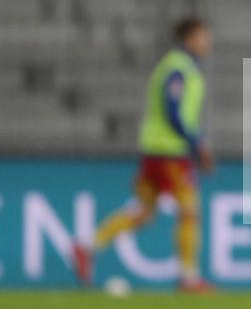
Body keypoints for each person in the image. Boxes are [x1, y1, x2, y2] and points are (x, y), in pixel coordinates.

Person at [71, 17, 216, 292]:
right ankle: (189, 278)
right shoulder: (179, 68)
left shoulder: (178, 67)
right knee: (189, 212)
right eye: (203, 36)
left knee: (143, 212)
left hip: (154, 150)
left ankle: (87, 245)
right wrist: (197, 144)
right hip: (169, 152)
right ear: (189, 38)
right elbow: (173, 110)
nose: (207, 42)